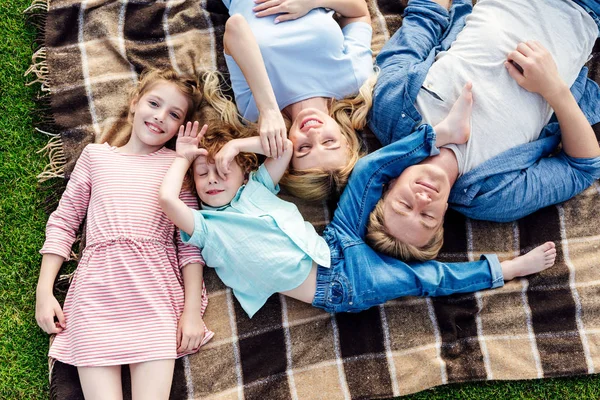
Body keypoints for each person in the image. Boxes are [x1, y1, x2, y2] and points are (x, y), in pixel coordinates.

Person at [158, 100, 556, 318]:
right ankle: (505, 269)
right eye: (202, 175)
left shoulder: (256, 188)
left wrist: (235, 148)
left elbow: (278, 149)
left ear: (241, 176)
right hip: (344, 285)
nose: (211, 178)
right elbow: (167, 200)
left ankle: (440, 136)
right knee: (427, 278)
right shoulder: (205, 227)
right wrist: (182, 159)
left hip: (333, 243)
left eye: (220, 171)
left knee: (366, 169)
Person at [364, 0, 600, 261]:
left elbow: (424, 18)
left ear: (389, 186)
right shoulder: (495, 197)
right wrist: (554, 90)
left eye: (404, 205)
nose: (422, 200)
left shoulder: (390, 111)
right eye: (427, 217)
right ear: (442, 215)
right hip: (583, 10)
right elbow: (582, 167)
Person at [35, 69, 214, 400]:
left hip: (155, 299)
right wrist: (44, 292)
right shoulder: (96, 157)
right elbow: (64, 221)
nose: (160, 117)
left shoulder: (177, 167)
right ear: (134, 103)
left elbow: (190, 243)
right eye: (154, 103)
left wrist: (191, 311)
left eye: (174, 114)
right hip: (95, 299)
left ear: (180, 126)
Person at [213, 0, 375, 201]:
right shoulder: (355, 78)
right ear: (346, 141)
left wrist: (269, 109)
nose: (313, 133)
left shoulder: (256, 111)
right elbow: (358, 13)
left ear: (287, 152)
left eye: (304, 148)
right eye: (329, 141)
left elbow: (235, 26)